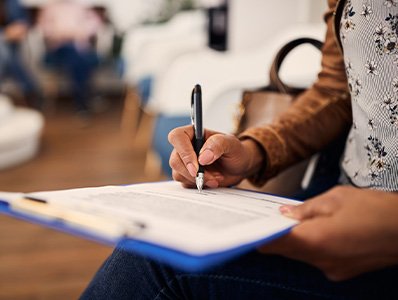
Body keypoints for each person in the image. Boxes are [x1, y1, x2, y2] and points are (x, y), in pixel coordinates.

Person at [81, 0, 398, 299]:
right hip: (337, 197)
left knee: (156, 265)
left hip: (375, 235)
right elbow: (337, 90)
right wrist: (252, 150)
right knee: (161, 243)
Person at [37, 0, 103, 115]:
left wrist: (78, 33)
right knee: (77, 57)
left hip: (79, 49)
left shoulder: (81, 7)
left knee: (77, 58)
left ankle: (82, 103)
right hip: (58, 49)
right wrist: (66, 34)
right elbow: (45, 29)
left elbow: (94, 24)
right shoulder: (50, 8)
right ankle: (84, 101)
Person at [0, 0, 43, 109]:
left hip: (12, 46)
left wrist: (13, 32)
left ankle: (30, 91)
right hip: (7, 47)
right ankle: (30, 90)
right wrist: (4, 34)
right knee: (5, 52)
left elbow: (22, 24)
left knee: (5, 52)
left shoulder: (12, 3)